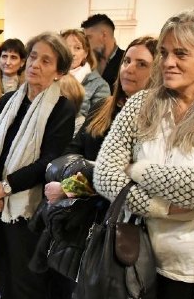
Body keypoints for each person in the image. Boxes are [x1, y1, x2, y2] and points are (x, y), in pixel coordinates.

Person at [94, 10, 194, 299]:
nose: (168, 62)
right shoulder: (141, 104)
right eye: (164, 53)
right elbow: (103, 173)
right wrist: (160, 208)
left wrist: (137, 170)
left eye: (181, 54)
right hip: (135, 262)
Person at [37, 36, 158, 298]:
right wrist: (75, 176)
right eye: (127, 61)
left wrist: (69, 187)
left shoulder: (156, 121)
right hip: (81, 218)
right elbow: (72, 150)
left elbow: (128, 174)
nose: (129, 68)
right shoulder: (104, 107)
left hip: (118, 223)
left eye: (141, 64)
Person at [0, 32, 76, 298]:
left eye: (46, 61)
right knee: (4, 276)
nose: (35, 65)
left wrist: (2, 188)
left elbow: (47, 162)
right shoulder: (8, 101)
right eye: (32, 57)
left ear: (59, 71)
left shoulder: (62, 109)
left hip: (27, 211)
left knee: (27, 283)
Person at [62, 29, 110, 116]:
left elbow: (97, 124)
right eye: (66, 48)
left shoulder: (100, 86)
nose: (72, 53)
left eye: (77, 48)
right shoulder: (50, 78)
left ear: (86, 53)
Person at [81, 14, 123, 92]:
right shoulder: (86, 63)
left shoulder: (125, 61)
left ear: (104, 35)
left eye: (89, 37)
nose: (85, 42)